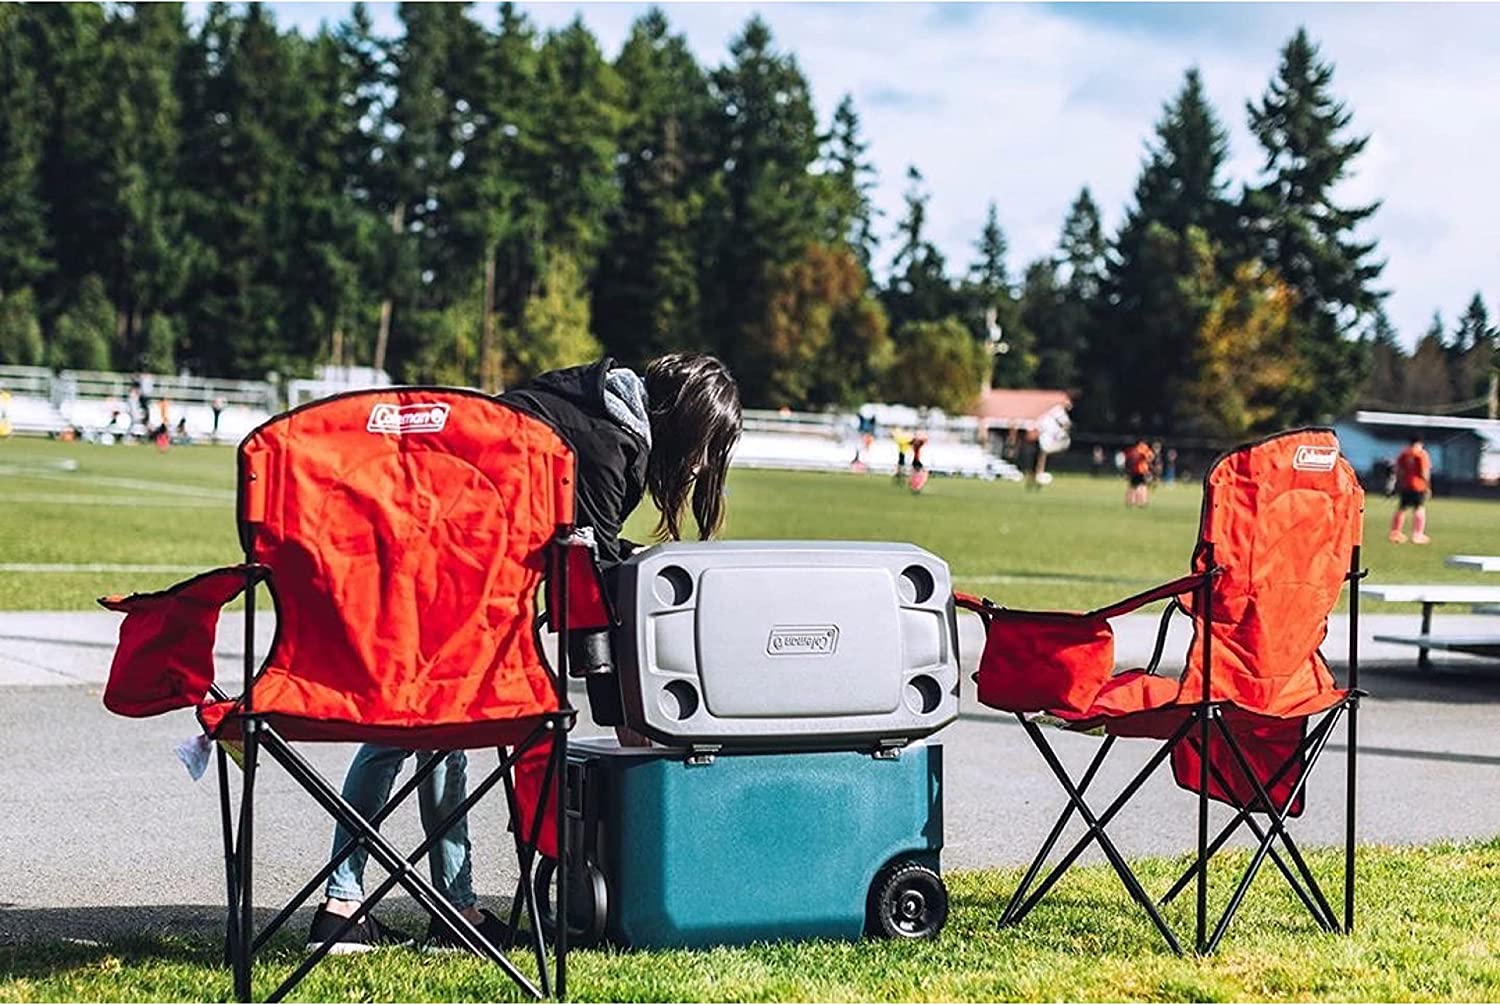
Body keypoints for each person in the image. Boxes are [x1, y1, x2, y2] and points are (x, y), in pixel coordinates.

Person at [308, 354, 742, 954]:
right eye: (703, 448)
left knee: (435, 744)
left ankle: (438, 910)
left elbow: (591, 557)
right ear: (684, 421)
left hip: (433, 557)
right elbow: (588, 597)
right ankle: (345, 906)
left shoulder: (588, 404)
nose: (696, 466)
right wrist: (628, 723)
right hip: (442, 570)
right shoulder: (606, 445)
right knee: (400, 735)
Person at [1389, 435, 1432, 544]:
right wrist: (1428, 486)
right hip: (1418, 485)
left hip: (1405, 484)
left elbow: (1398, 470)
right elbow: (1424, 472)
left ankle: (1395, 532)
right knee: (1419, 508)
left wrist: (1398, 483)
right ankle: (1417, 534)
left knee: (1402, 508)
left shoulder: (1404, 453)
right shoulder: (1422, 454)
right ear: (1420, 443)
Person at [1124, 437, 1154, 508]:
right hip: (1142, 470)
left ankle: (1130, 502)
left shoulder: (1134, 449)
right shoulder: (1144, 448)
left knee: (1132, 486)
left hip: (1134, 470)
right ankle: (1142, 503)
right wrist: (1149, 464)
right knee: (1142, 486)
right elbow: (1151, 456)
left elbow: (1128, 459)